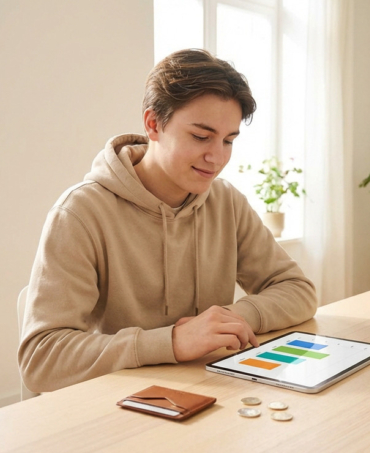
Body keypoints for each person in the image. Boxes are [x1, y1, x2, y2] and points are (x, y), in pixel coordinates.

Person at [18, 49, 317, 393]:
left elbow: (298, 290)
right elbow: (41, 359)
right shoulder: (80, 213)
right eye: (201, 136)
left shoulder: (226, 201)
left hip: (209, 391)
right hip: (120, 404)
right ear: (153, 124)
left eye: (228, 140)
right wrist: (171, 342)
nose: (217, 157)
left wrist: (234, 319)